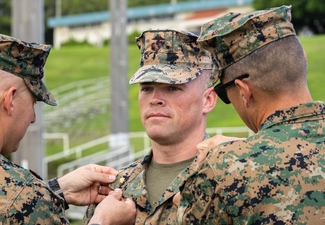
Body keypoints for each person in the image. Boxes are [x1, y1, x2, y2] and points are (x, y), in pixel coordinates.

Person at [0, 27, 135, 225]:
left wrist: (55, 190)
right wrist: (104, 221)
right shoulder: (21, 196)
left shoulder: (21, 196)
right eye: (33, 103)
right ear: (10, 100)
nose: (33, 118)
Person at [176, 5, 325, 224]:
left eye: (225, 94)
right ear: (302, 60)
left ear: (244, 92)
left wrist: (189, 196)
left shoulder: (223, 168)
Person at [84, 29, 216, 224]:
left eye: (172, 87)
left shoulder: (227, 179)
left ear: (208, 100)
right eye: (147, 88)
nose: (155, 99)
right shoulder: (115, 189)